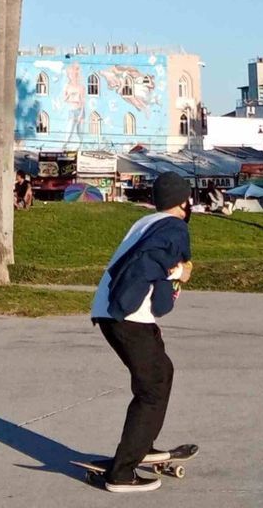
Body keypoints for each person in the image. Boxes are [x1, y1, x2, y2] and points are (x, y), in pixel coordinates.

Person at [88, 169, 194, 494]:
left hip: (109, 310)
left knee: (160, 372)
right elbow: (150, 266)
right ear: (184, 202)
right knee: (153, 387)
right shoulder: (175, 227)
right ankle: (121, 472)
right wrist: (179, 273)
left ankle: (142, 444)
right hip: (127, 314)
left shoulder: (144, 223)